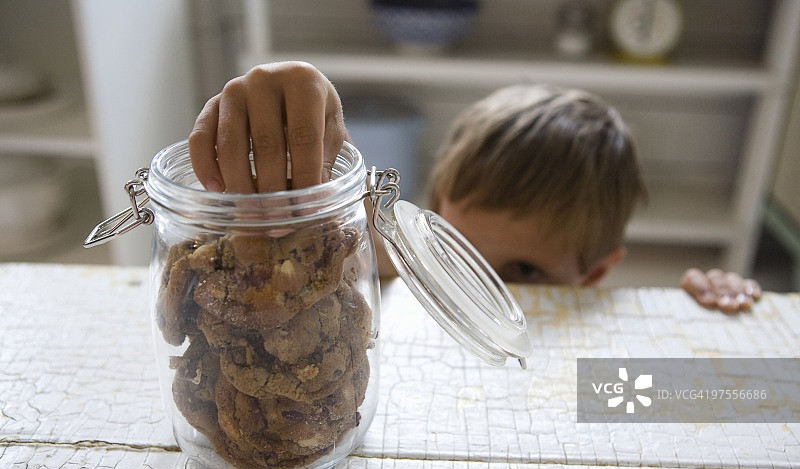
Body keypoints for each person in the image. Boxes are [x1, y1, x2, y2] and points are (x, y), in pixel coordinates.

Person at [188, 61, 762, 313]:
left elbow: (670, 372)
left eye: (523, 270)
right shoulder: (401, 262)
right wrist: (292, 95)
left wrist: (708, 303)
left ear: (593, 275)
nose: (476, 284)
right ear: (431, 219)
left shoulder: (594, 316)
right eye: (457, 249)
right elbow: (330, 229)